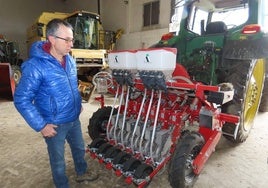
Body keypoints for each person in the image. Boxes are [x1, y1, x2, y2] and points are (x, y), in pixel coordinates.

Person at [14, 18, 98, 188]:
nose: (71, 44)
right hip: (53, 124)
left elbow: (71, 85)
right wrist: (41, 125)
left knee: (79, 149)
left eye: (72, 39)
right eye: (67, 39)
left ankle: (82, 173)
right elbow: (21, 99)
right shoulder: (35, 66)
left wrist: (77, 102)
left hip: (73, 118)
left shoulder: (71, 61)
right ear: (52, 39)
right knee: (58, 161)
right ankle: (62, 185)